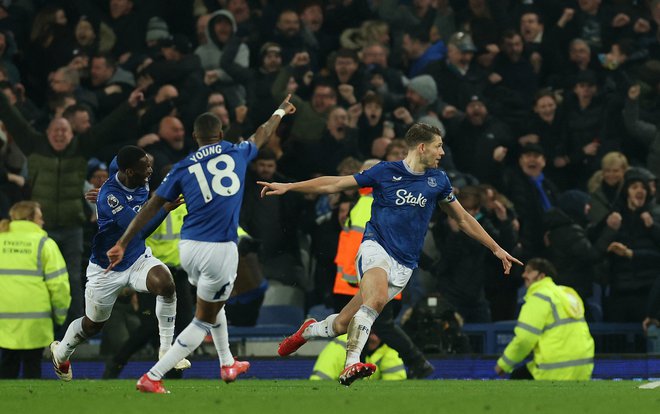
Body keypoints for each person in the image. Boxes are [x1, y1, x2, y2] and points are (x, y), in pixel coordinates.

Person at [260, 122, 522, 386]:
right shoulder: (385, 172)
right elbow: (336, 183)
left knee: (341, 325)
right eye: (438, 146)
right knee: (374, 303)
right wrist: (290, 187)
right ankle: (351, 364)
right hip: (376, 247)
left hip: (404, 264)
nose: (442, 152)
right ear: (422, 147)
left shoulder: (438, 181)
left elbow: (463, 219)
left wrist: (496, 248)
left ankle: (309, 330)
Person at [106, 96, 297, 393]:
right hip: (219, 248)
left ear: (195, 137)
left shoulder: (181, 167)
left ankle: (227, 362)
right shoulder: (237, 152)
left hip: (189, 249)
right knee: (203, 318)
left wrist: (122, 241)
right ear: (220, 135)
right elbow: (262, 133)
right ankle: (153, 376)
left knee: (212, 299)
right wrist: (280, 111)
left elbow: (151, 207)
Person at [50, 146, 189, 381]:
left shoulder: (126, 170)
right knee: (93, 325)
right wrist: (165, 207)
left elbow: (120, 158)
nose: (150, 170)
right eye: (145, 167)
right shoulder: (110, 197)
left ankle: (167, 351)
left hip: (136, 259)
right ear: (129, 172)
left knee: (166, 284)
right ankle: (61, 354)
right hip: (106, 267)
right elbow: (139, 230)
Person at [0, 201, 70, 378]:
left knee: (7, 366)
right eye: (40, 217)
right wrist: (60, 315)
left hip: (3, 319)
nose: (43, 221)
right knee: (33, 368)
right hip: (36, 319)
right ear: (30, 218)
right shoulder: (44, 243)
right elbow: (59, 284)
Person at [495, 258, 594, 381]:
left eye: (529, 271)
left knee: (516, 379)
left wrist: (504, 364)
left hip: (554, 369)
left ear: (541, 276)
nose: (523, 275)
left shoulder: (540, 296)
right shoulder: (569, 293)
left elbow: (524, 339)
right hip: (583, 369)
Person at [310, 331, 406, 381]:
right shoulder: (343, 343)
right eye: (371, 333)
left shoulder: (389, 348)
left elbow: (395, 386)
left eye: (378, 334)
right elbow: (318, 381)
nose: (374, 338)